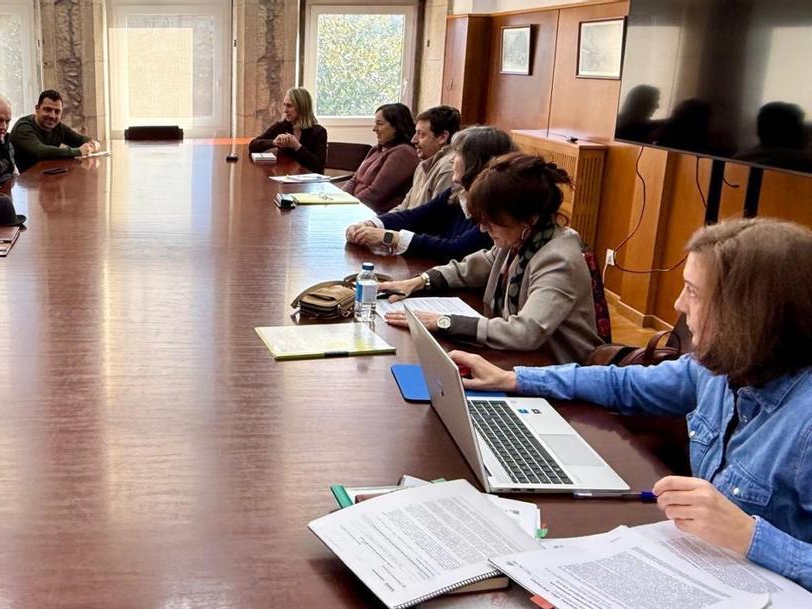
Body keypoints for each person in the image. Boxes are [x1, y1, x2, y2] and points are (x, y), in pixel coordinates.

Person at [452, 218, 812, 591]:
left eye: (692, 291)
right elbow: (624, 383)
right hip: (703, 570)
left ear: (748, 313)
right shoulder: (717, 368)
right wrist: (514, 379)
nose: (678, 304)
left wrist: (750, 536)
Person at [379, 152, 605, 364]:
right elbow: (472, 268)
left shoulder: (558, 260)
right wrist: (420, 281)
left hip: (556, 371)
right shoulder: (520, 238)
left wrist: (443, 321)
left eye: (491, 222)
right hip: (518, 360)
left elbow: (526, 332)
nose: (483, 229)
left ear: (528, 219)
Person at [344, 125, 509, 262]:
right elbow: (416, 217)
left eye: (458, 155)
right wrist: (371, 224)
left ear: (476, 161)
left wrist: (389, 238)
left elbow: (456, 250)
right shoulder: (456, 192)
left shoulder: (495, 208)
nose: (452, 160)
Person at [342, 103, 419, 213]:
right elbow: (354, 180)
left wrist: (346, 208)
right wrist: (340, 199)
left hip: (375, 213)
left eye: (380, 124)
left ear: (396, 127)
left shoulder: (404, 153)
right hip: (356, 206)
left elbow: (375, 194)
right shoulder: (376, 149)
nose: (374, 129)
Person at [389, 105, 462, 212]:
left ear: (442, 137)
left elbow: (434, 218)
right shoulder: (423, 165)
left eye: (421, 134)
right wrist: (377, 221)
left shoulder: (448, 168)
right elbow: (404, 208)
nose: (413, 140)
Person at [10, 90, 101, 171]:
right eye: (47, 110)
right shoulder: (23, 127)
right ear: (37, 109)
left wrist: (92, 144)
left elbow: (79, 139)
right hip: (28, 180)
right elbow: (40, 151)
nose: (52, 116)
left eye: (57, 112)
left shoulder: (57, 127)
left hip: (52, 174)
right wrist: (78, 152)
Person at [248, 87, 328, 173]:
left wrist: (297, 146)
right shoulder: (282, 126)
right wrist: (274, 142)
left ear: (301, 108)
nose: (285, 110)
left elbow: (319, 166)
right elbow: (253, 145)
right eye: (284, 105)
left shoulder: (319, 132)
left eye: (289, 106)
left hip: (309, 180)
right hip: (285, 178)